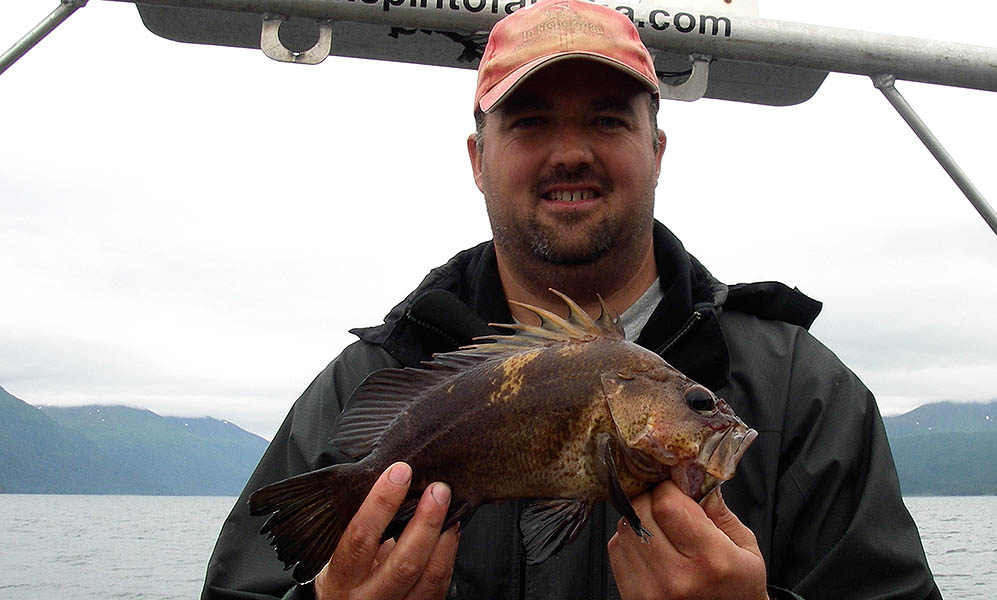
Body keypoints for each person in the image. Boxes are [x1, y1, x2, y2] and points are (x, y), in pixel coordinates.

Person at [201, 1, 942, 598]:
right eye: (529, 122)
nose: (570, 152)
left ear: (656, 150)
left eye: (607, 118)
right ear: (477, 160)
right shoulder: (363, 380)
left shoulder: (805, 394)